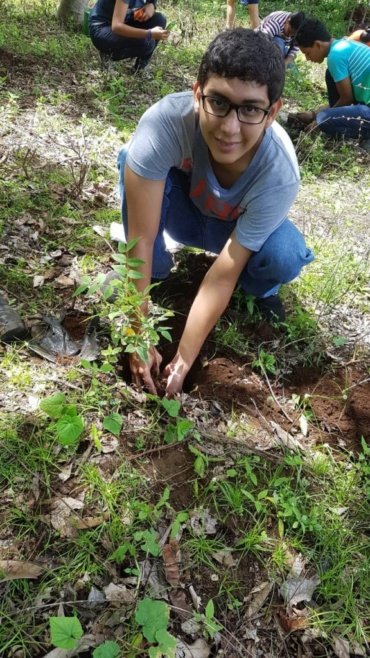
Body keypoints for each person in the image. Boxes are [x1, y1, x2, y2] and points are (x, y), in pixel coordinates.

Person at [116, 29, 314, 396]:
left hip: (233, 231)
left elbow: (222, 275)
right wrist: (138, 333)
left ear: (272, 112)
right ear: (197, 94)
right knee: (132, 160)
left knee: (284, 254)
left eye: (250, 109)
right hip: (182, 211)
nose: (229, 127)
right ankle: (160, 274)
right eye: (218, 102)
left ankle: (259, 290)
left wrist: (184, 360)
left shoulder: (280, 172)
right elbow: (138, 243)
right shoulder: (164, 124)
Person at [293, 18, 370, 148]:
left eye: (307, 53)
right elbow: (344, 99)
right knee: (330, 75)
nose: (307, 58)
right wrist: (315, 114)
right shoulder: (345, 44)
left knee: (324, 120)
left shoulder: (335, 55)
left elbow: (347, 98)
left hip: (366, 110)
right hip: (364, 103)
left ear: (317, 44)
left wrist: (320, 119)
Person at [89, 0, 168, 72]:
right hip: (102, 28)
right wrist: (149, 33)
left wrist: (152, 5)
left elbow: (152, 2)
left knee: (159, 20)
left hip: (126, 20)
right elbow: (116, 26)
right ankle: (108, 55)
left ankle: (140, 69)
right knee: (148, 42)